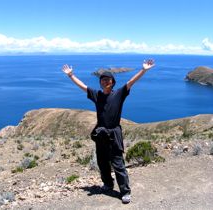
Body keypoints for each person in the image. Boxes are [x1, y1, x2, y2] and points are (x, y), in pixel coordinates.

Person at [62, 59, 155, 204]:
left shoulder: (119, 94)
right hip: (100, 135)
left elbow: (131, 82)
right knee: (102, 162)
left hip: (114, 134)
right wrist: (71, 75)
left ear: (113, 82)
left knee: (118, 163)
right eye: (103, 80)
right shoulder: (97, 95)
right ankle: (108, 184)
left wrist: (144, 70)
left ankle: (125, 191)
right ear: (100, 83)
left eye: (108, 80)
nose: (105, 82)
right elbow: (83, 87)